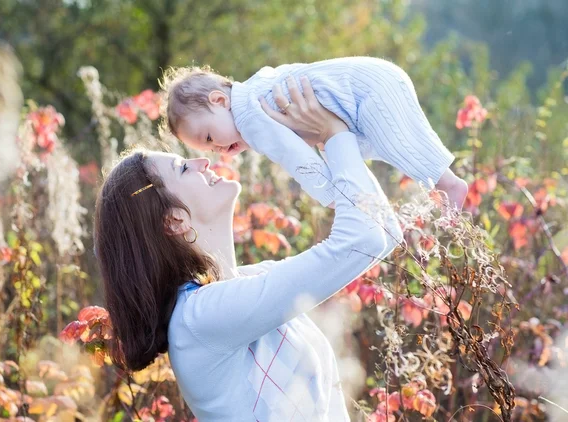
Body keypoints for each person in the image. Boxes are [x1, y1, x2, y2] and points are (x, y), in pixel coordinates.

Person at [95, 79, 402, 421]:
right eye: (183, 168)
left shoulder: (247, 283)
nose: (203, 162)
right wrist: (334, 134)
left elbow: (382, 233)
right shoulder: (201, 318)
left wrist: (328, 140)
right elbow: (363, 241)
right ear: (174, 222)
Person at [160, 57, 468, 212]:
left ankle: (450, 186)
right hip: (371, 79)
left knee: (398, 144)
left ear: (219, 100)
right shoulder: (254, 91)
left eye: (211, 137)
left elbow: (295, 157)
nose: (219, 148)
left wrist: (333, 196)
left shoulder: (251, 116)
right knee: (397, 144)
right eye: (211, 149)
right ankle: (444, 188)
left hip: (367, 90)